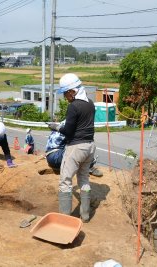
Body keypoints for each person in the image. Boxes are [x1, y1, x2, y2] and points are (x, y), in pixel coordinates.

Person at [47, 73, 96, 222]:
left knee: (65, 181)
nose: (64, 97)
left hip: (76, 147)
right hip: (90, 146)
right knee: (84, 179)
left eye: (65, 93)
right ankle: (85, 216)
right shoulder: (90, 103)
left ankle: (65, 221)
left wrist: (57, 127)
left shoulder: (74, 106)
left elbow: (68, 132)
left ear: (72, 91)